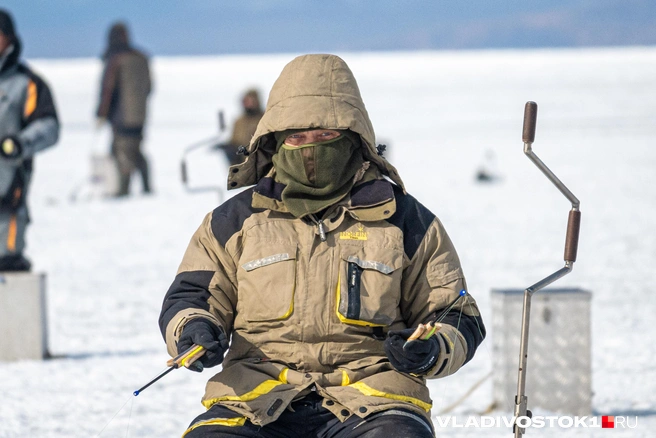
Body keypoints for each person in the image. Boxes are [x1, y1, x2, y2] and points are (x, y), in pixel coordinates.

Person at [159, 54, 485, 438]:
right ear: (276, 142)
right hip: (254, 396)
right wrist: (195, 329)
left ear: (353, 139)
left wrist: (431, 348)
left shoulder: (406, 220)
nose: (310, 149)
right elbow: (192, 296)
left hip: (374, 400)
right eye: (296, 137)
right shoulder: (234, 221)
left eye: (326, 136)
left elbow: (456, 313)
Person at [0, 9, 59, 271]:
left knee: (8, 263)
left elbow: (48, 126)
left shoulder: (27, 84)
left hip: (7, 194)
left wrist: (20, 144)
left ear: (10, 40)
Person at [96, 21, 151, 197]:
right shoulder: (141, 58)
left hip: (122, 116)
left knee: (122, 151)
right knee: (135, 149)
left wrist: (102, 113)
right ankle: (146, 185)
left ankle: (123, 190)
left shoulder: (116, 59)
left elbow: (108, 89)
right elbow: (149, 87)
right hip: (140, 115)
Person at [215, 88, 264, 166]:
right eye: (246, 101)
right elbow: (234, 140)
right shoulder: (239, 121)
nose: (248, 104)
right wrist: (227, 147)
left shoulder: (264, 119)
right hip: (241, 166)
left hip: (259, 163)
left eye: (250, 101)